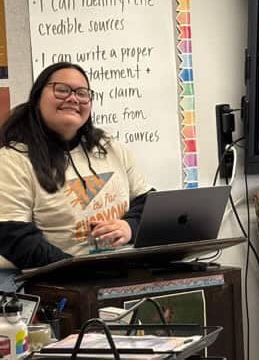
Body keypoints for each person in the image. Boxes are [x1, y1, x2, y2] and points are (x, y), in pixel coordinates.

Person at [0, 62, 153, 291]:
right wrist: (77, 272)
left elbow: (148, 203)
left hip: (113, 274)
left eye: (82, 93)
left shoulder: (109, 148)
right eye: (61, 90)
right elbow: (16, 238)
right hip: (47, 282)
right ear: (37, 97)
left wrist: (129, 226)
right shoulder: (13, 160)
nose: (73, 98)